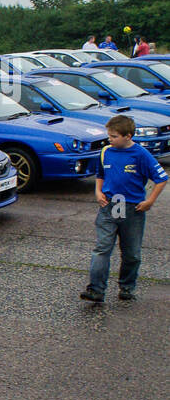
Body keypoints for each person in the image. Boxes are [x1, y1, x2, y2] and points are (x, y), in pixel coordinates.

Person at [80, 114, 167, 302]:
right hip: (109, 205)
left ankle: (127, 286)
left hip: (132, 209)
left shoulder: (141, 154)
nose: (109, 139)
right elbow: (100, 174)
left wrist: (150, 201)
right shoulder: (106, 152)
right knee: (102, 248)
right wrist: (98, 191)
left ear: (128, 136)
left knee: (132, 253)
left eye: (114, 136)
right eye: (109, 136)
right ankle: (96, 289)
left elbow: (161, 179)